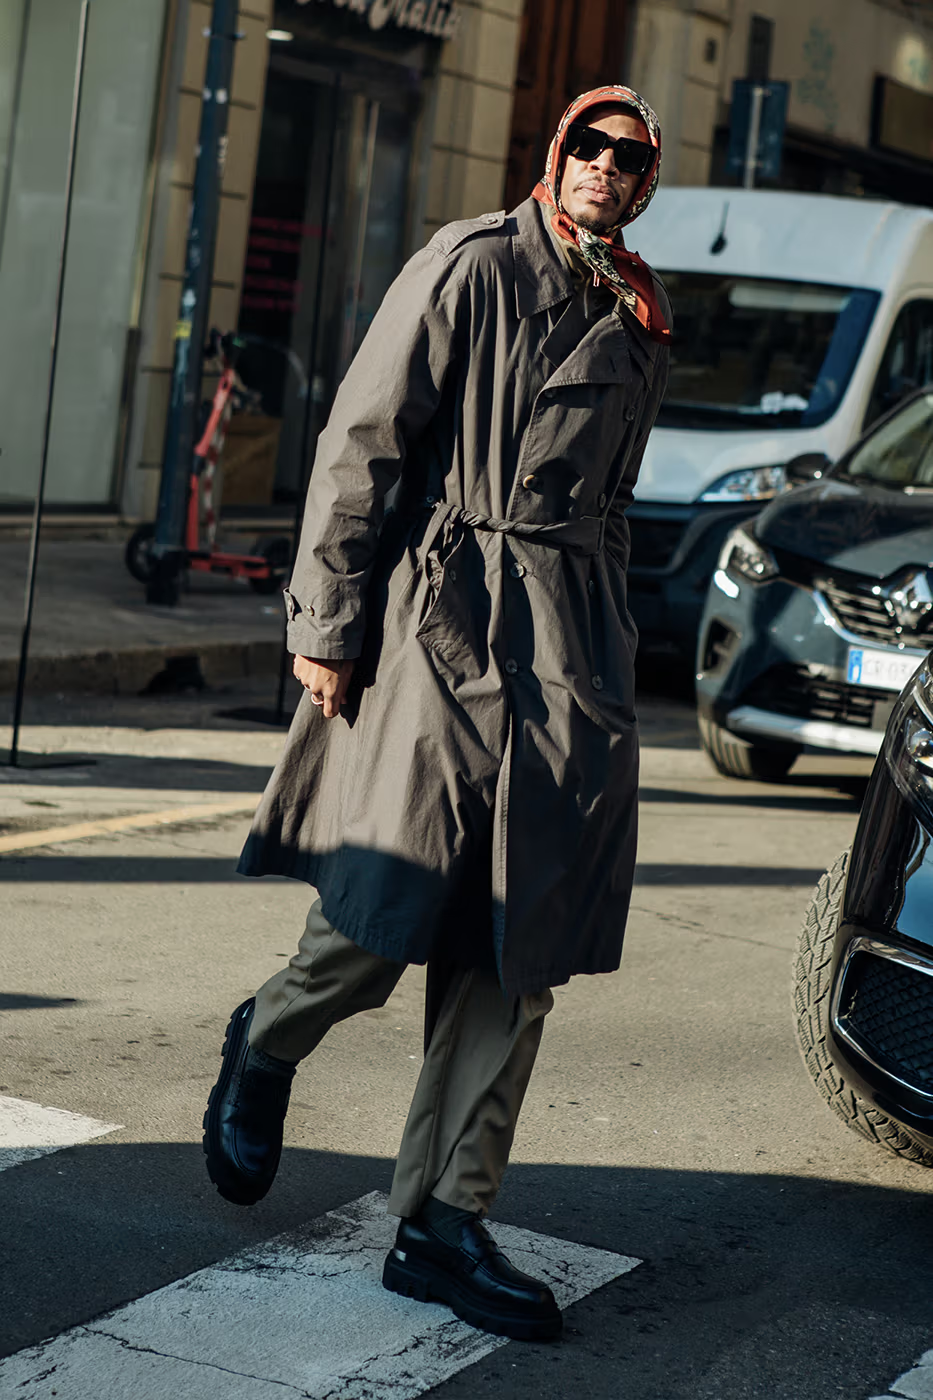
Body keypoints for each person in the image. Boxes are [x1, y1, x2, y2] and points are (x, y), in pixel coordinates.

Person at [203, 84, 671, 1343]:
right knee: (386, 904)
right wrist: (326, 624)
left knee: (519, 947)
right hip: (445, 619)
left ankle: (442, 1219)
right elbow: (363, 440)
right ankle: (268, 1036)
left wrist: (610, 652)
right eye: (591, 145)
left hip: (566, 642)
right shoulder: (471, 265)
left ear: (643, 186)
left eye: (632, 159)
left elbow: (614, 505)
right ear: (556, 155)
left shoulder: (636, 320)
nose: (607, 170)